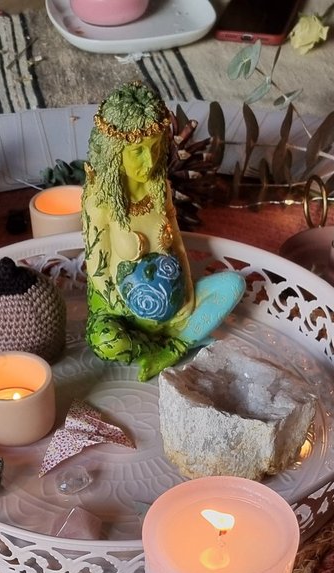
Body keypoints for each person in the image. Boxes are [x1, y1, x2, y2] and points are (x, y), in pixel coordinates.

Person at [82, 82, 244, 381]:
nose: (150, 160)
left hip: (173, 310)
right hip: (123, 315)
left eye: (156, 147)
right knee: (106, 341)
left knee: (233, 284)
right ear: (115, 150)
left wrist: (187, 297)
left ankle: (175, 346)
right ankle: (165, 344)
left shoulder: (160, 188)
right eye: (137, 151)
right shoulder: (99, 199)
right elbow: (97, 270)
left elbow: (177, 245)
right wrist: (136, 311)